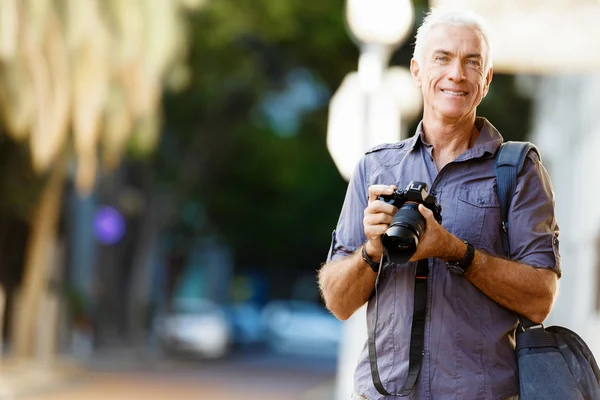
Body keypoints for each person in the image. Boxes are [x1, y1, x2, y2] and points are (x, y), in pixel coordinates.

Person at [317, 7, 560, 400]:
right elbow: (338, 301)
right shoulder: (376, 167)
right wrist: (372, 252)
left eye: (472, 62)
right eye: (442, 58)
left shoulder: (517, 170)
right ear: (416, 71)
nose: (456, 74)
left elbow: (540, 300)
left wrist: (456, 251)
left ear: (487, 79)